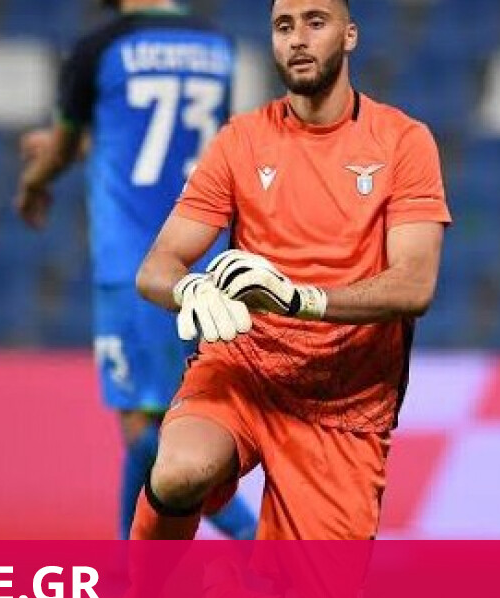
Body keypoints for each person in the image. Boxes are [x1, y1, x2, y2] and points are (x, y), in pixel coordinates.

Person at [132, 0, 450, 543]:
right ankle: (144, 593)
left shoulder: (403, 141)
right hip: (244, 367)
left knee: (302, 597)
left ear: (349, 36)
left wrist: (300, 299)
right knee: (180, 469)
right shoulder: (240, 140)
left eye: (315, 22)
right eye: (284, 27)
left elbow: (414, 285)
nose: (297, 38)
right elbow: (156, 268)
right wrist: (192, 288)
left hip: (344, 399)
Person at [15, 0, 256, 540]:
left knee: (148, 431)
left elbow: (63, 152)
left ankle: (258, 543)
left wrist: (34, 180)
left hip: (136, 266)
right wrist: (81, 145)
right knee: (176, 418)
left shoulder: (98, 49)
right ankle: (135, 573)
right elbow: (170, 141)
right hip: (204, 260)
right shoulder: (216, 46)